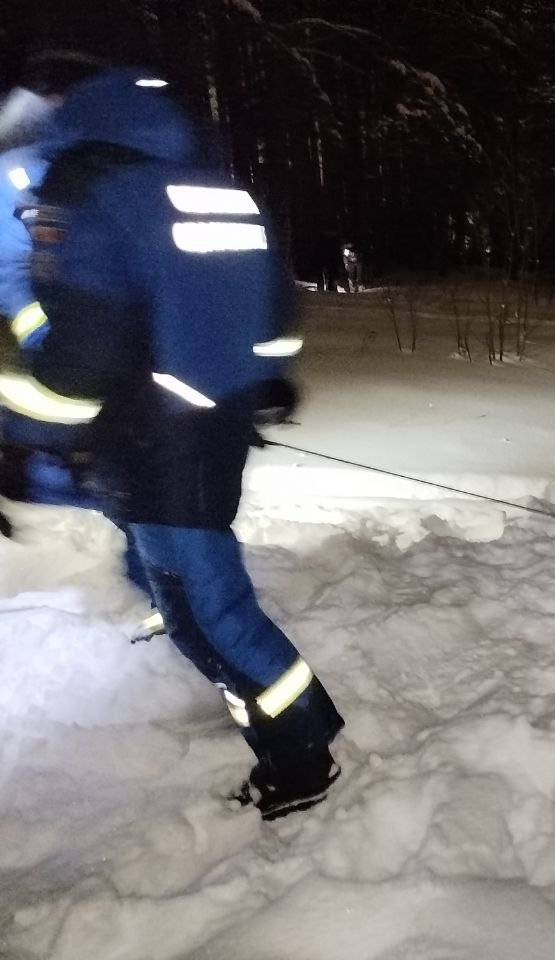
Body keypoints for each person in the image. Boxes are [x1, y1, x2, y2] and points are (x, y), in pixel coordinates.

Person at [4, 64, 342, 819]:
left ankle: (302, 759)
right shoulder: (216, 188)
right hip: (214, 426)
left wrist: (14, 426)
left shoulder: (88, 190)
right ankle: (300, 733)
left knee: (210, 615)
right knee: (201, 598)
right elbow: (278, 304)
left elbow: (81, 361)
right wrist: (265, 378)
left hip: (156, 441)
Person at [0, 51, 158, 629]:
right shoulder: (17, 170)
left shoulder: (123, 158)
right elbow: (11, 267)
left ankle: (152, 593)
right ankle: (63, 591)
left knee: (132, 469)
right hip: (62, 345)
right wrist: (43, 329)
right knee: (61, 455)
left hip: (126, 344)